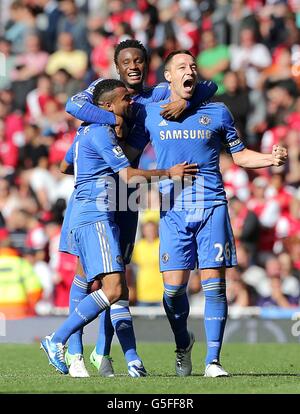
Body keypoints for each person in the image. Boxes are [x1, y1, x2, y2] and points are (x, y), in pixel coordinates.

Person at [124, 49, 288, 377]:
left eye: (193, 66)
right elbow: (130, 154)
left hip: (212, 205)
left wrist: (270, 159)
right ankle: (183, 343)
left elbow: (239, 156)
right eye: (182, 66)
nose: (191, 70)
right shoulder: (151, 112)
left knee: (215, 285)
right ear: (168, 76)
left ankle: (213, 360)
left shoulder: (218, 112)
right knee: (172, 292)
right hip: (172, 212)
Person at [62, 39, 218, 377]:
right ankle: (73, 350)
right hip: (98, 189)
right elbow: (73, 105)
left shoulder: (158, 95)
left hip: (128, 193)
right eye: (126, 61)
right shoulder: (105, 91)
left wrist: (183, 101)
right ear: (117, 67)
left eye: (139, 61)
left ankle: (103, 353)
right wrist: (110, 115)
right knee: (85, 273)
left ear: (146, 66)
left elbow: (210, 85)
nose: (133, 66)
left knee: (117, 277)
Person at [40, 78, 198, 376]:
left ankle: (129, 360)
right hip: (96, 215)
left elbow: (64, 166)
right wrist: (170, 172)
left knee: (118, 287)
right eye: (125, 98)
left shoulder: (88, 132)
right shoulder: (101, 132)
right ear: (108, 105)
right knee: (112, 289)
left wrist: (89, 167)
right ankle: (58, 339)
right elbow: (127, 176)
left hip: (98, 213)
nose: (131, 102)